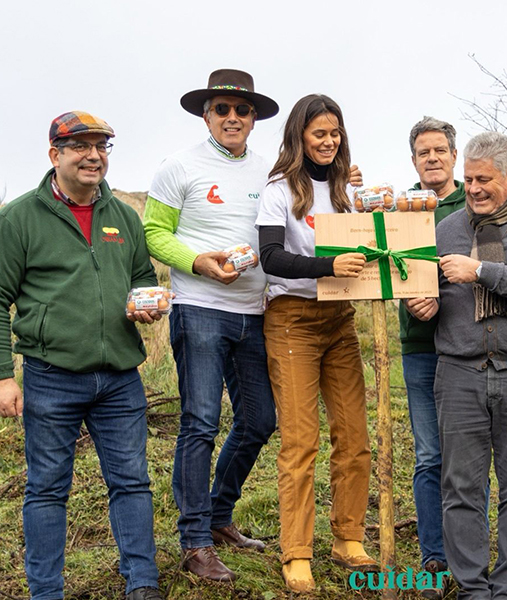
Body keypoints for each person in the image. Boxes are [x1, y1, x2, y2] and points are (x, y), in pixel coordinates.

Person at [0, 111, 164, 600]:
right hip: (52, 377)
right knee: (47, 488)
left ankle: (142, 582)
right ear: (55, 155)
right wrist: (3, 376)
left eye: (102, 147)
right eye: (81, 147)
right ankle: (45, 591)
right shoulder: (20, 217)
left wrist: (146, 304)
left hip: (119, 378)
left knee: (132, 481)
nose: (94, 156)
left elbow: (144, 279)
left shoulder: (123, 217)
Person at [407, 131, 507, 599]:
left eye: (485, 179)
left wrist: (480, 271)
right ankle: (473, 587)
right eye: (469, 179)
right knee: (460, 486)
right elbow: (428, 292)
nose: (474, 188)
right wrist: (424, 306)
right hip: (459, 373)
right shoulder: (445, 230)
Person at [143, 69, 280, 582]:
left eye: (241, 110)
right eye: (221, 109)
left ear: (254, 119)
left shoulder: (269, 171)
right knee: (200, 421)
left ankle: (220, 516)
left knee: (259, 420)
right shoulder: (178, 167)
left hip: (255, 311)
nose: (232, 118)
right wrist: (199, 261)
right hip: (198, 307)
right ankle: (195, 541)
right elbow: (154, 231)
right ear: (206, 115)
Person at [256, 93, 377, 593]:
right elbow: (270, 257)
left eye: (335, 133)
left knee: (353, 434)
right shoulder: (279, 189)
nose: (328, 142)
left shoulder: (350, 189)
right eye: (318, 134)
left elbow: (374, 239)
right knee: (300, 441)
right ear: (299, 136)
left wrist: (371, 203)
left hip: (340, 319)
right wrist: (328, 265)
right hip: (291, 321)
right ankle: (296, 552)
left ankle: (348, 536)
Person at [398, 116, 465, 599]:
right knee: (429, 455)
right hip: (420, 347)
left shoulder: (477, 199)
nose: (433, 158)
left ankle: (470, 551)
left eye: (440, 150)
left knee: (466, 452)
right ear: (414, 160)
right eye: (424, 152)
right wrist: (409, 298)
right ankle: (434, 557)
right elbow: (385, 266)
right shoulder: (401, 207)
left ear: (454, 156)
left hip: (466, 345)